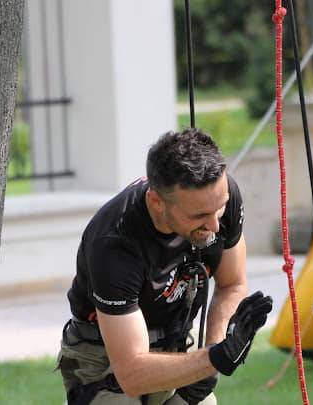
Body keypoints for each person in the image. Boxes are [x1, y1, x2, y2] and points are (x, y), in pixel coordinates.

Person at [57, 128, 273, 404]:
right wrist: (214, 358)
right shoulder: (115, 242)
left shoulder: (219, 198)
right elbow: (132, 373)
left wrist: (216, 347)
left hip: (176, 342)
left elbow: (232, 284)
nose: (215, 225)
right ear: (157, 202)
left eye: (220, 208)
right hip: (106, 358)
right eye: (199, 215)